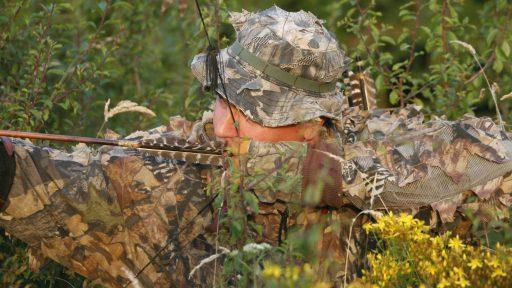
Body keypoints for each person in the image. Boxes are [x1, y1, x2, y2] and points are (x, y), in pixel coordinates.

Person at [1, 5, 511, 287]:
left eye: (247, 113)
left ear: (313, 123)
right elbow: (43, 175)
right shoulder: (168, 163)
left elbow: (492, 153)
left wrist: (314, 175)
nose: (221, 125)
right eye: (221, 99)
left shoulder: (361, 144)